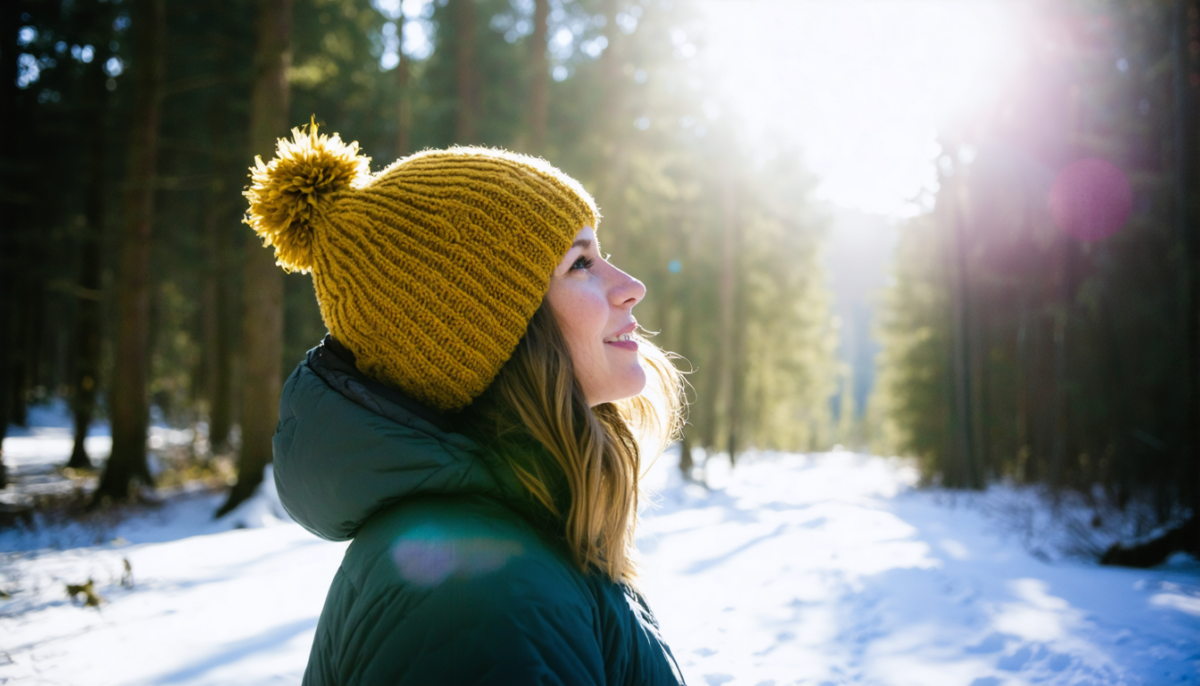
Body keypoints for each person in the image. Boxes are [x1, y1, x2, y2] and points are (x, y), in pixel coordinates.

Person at [244, 122, 688, 685]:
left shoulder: (525, 537)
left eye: (602, 254)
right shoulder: (476, 591)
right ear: (486, 333)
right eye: (579, 263)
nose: (629, 285)